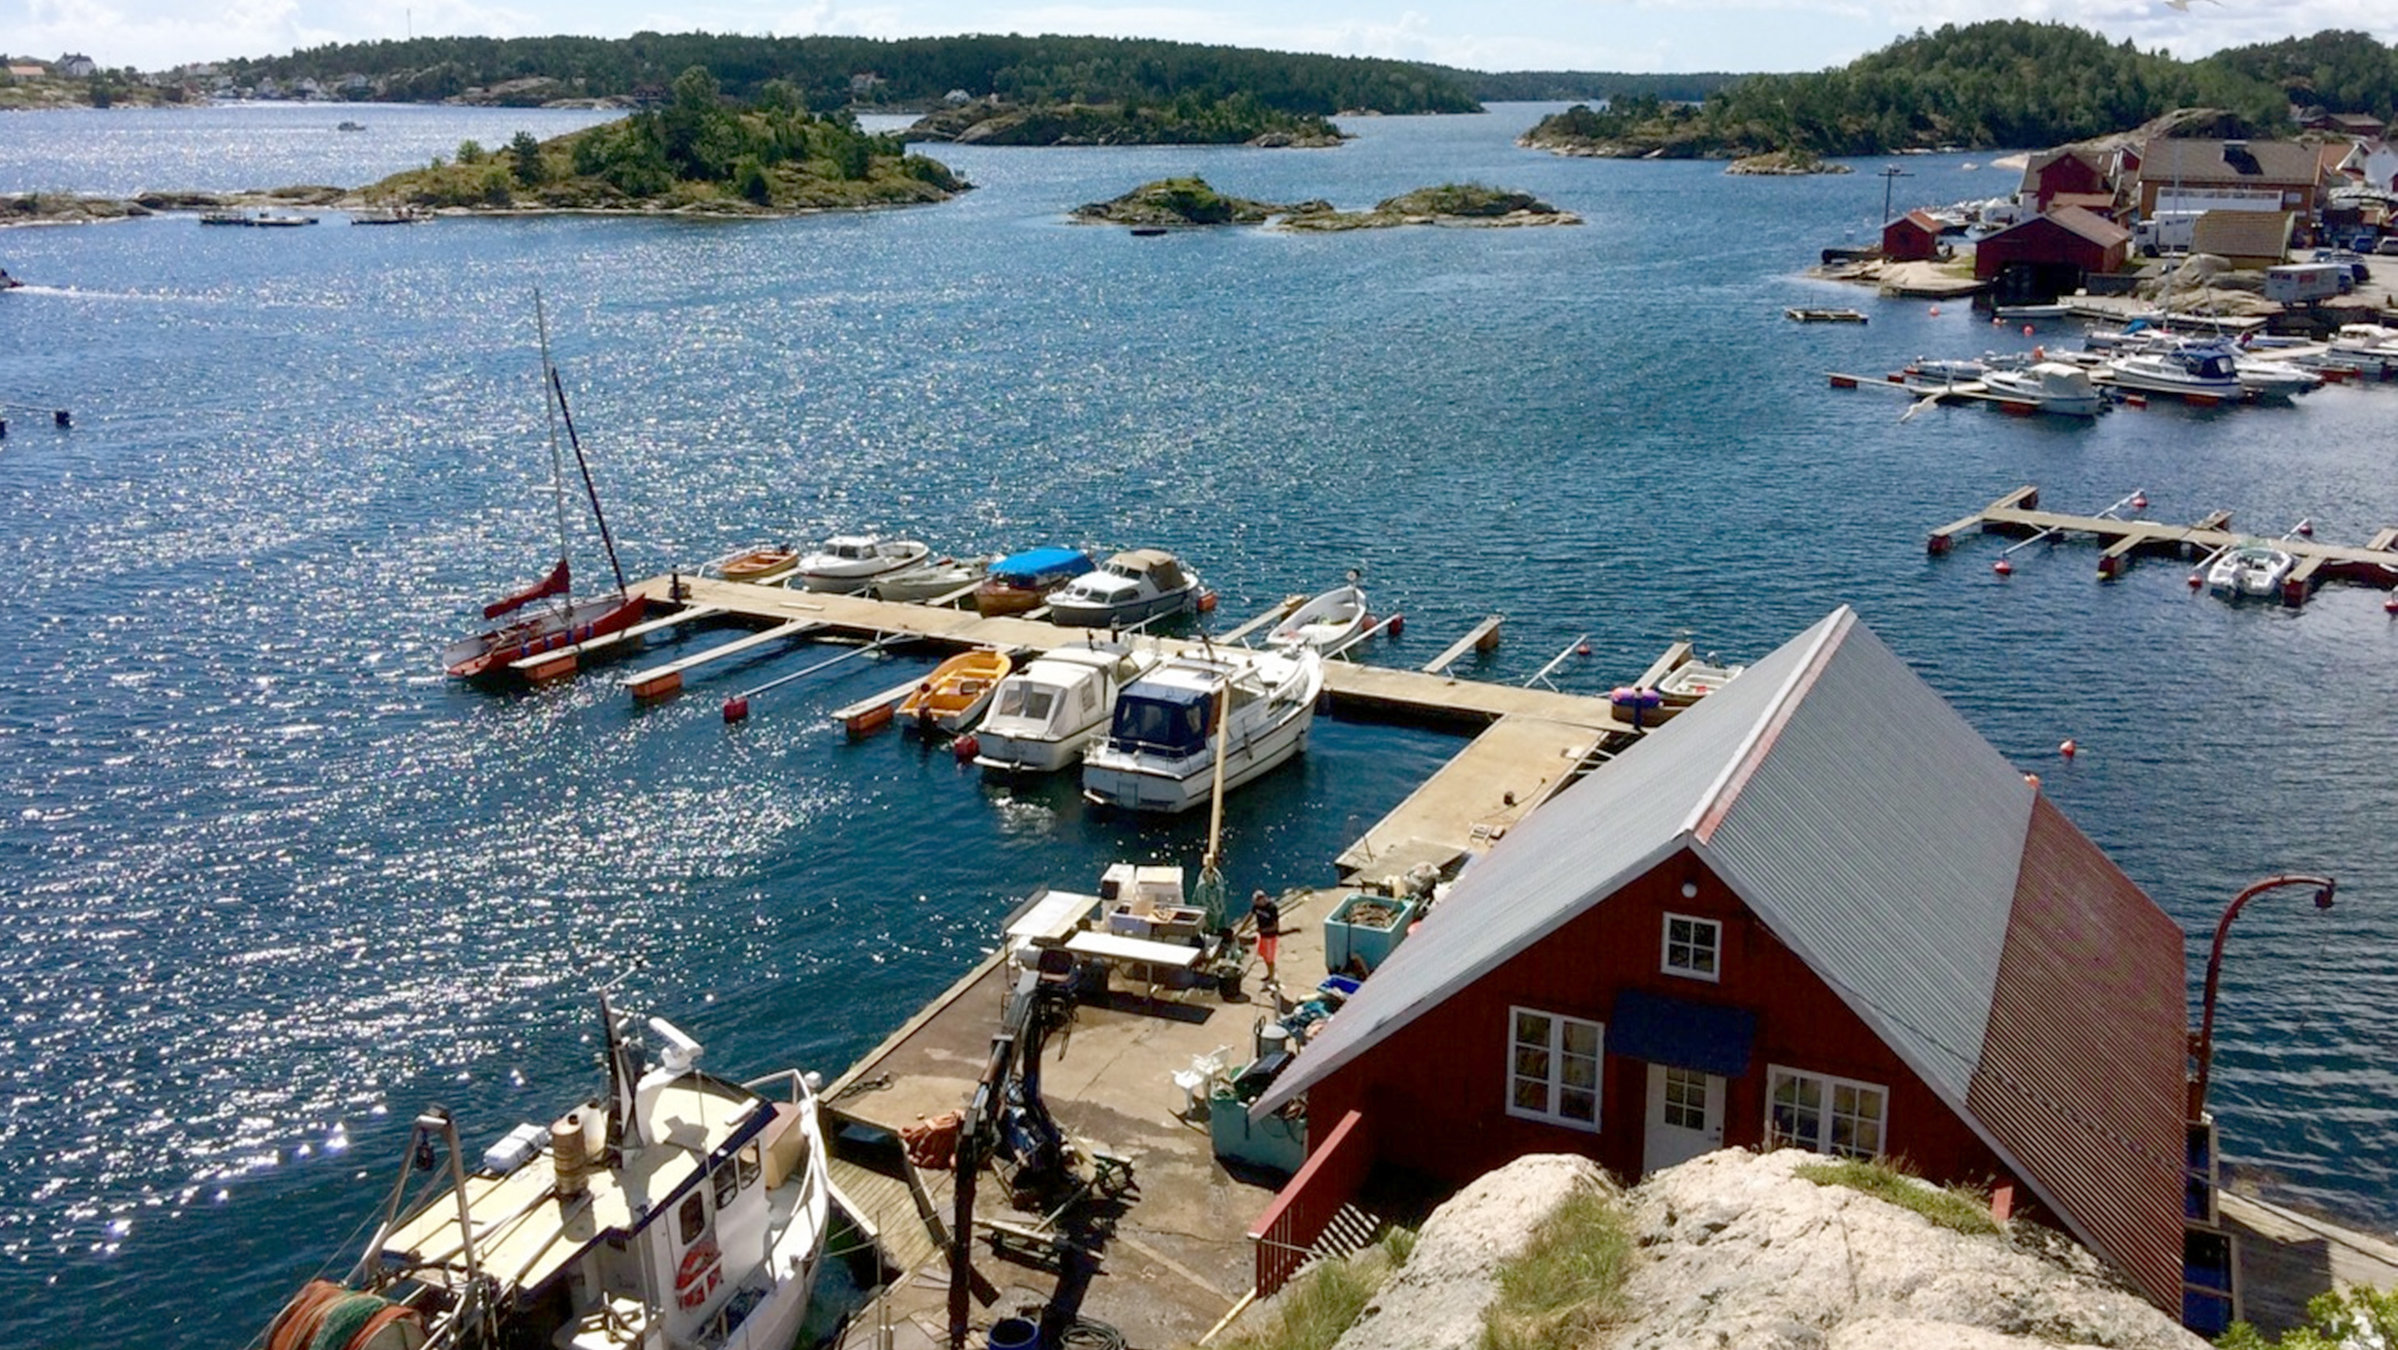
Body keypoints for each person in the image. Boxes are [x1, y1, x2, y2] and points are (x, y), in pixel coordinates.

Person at [1250, 889, 1281, 985]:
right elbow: (1250, 915)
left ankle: (1271, 979)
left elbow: (1275, 927)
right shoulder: (1257, 906)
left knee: (1270, 959)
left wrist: (1263, 930)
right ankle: (1269, 974)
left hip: (1270, 937)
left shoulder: (1272, 908)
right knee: (1264, 956)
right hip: (1262, 936)